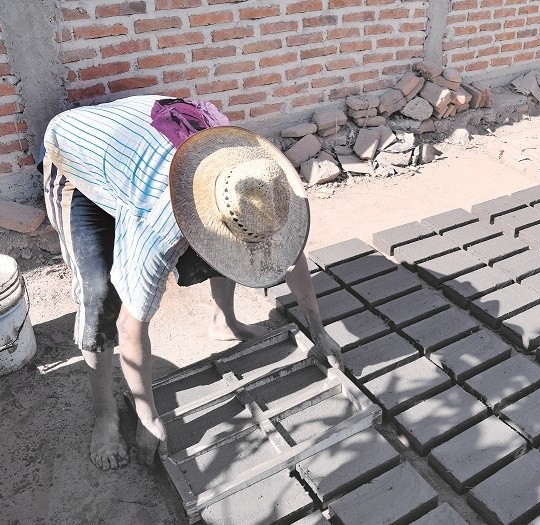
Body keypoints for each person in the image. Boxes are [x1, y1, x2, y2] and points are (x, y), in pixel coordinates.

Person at [39, 95, 342, 471]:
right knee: (100, 294)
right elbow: (130, 326)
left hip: (140, 152)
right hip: (76, 160)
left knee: (228, 250)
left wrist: (318, 331)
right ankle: (105, 411)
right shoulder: (160, 225)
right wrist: (147, 414)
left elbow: (290, 256)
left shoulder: (254, 176)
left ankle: (223, 322)